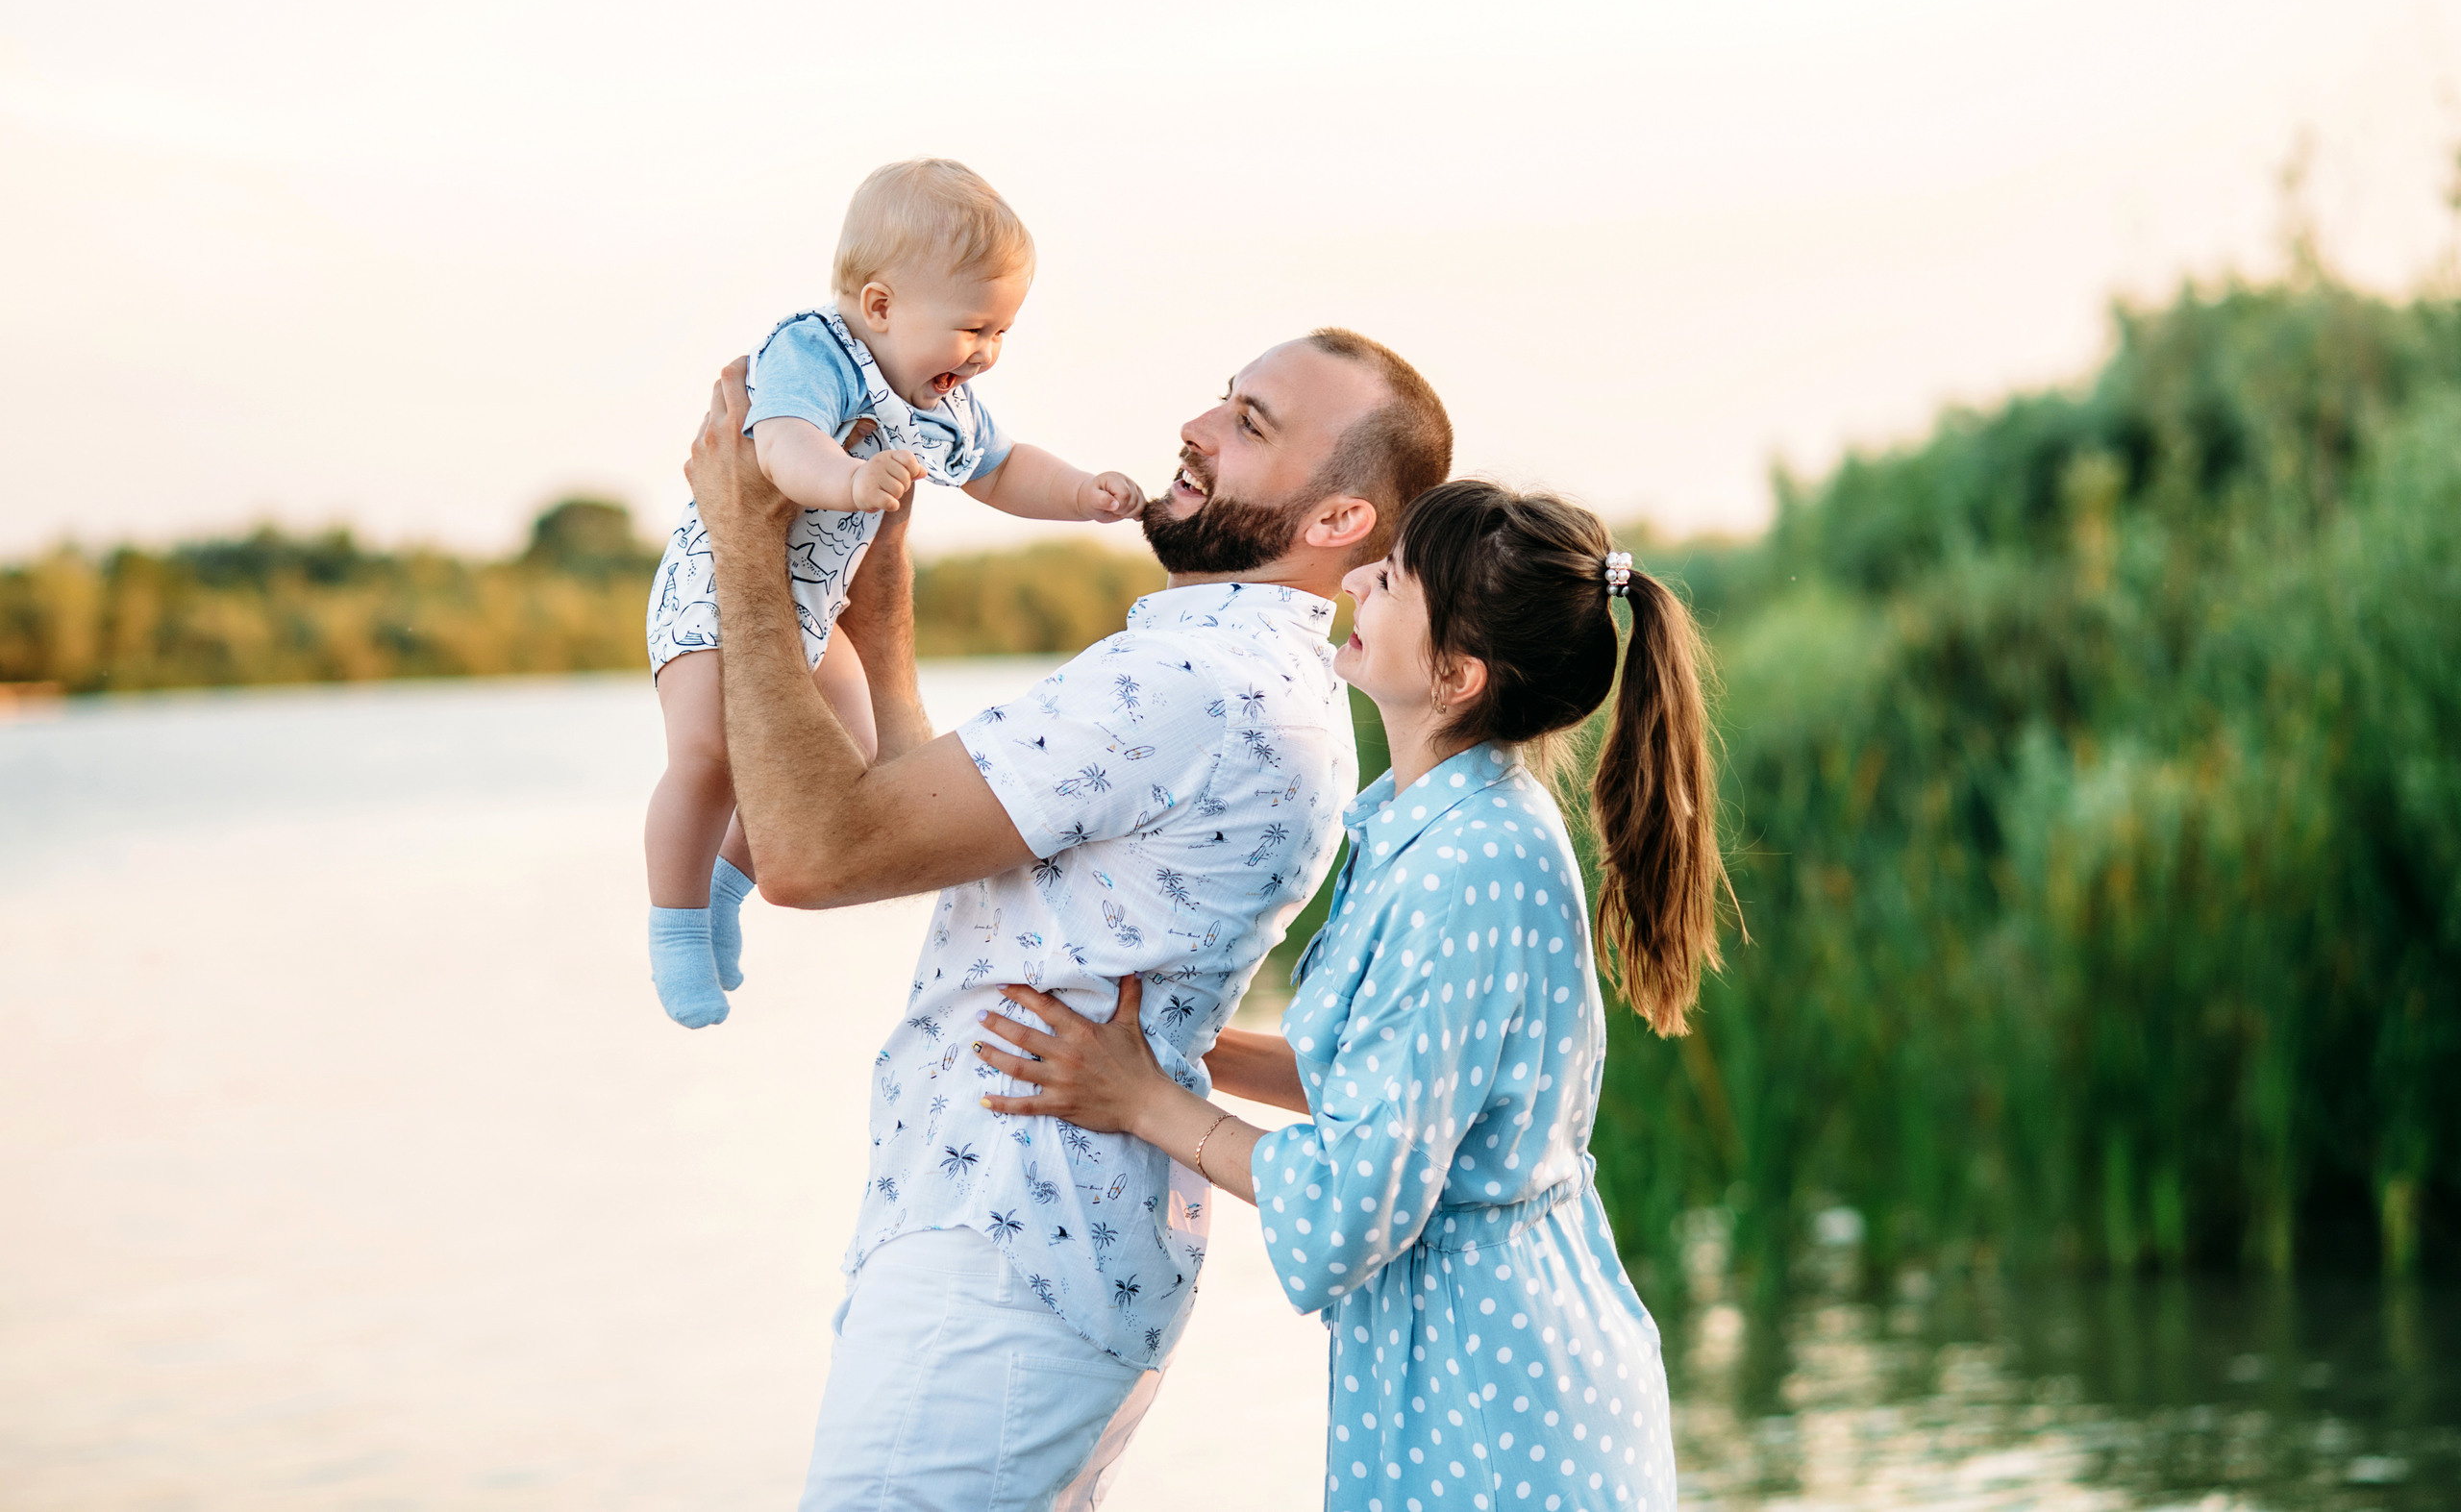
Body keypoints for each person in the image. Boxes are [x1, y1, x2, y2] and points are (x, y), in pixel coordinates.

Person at [683, 327, 1453, 1507]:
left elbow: (811, 852)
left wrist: (745, 545)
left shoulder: (1196, 685)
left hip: (1002, 1261)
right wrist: (884, 630)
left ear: (1337, 520)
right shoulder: (1246, 678)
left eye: (1249, 425)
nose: (1195, 432)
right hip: (1039, 1242)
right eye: (1220, 402)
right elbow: (924, 835)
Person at [973, 480, 1732, 1512]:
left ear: (1456, 674)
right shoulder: (1434, 824)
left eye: (1395, 577)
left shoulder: (1469, 865)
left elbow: (1347, 1209)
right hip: (1472, 1356)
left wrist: (1141, 1105)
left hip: (1494, 1397)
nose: (1361, 577)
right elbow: (1389, 1094)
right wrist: (1171, 1046)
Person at [643, 159, 1146, 1029]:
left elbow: (1004, 470)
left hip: (809, 608)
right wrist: (847, 480)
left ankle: (726, 885)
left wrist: (1081, 496)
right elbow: (781, 443)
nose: (986, 353)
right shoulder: (812, 349)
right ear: (880, 306)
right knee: (708, 755)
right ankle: (676, 927)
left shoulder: (943, 400)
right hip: (712, 589)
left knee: (844, 759)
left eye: (1002, 334)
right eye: (973, 328)